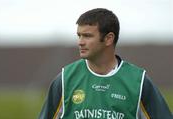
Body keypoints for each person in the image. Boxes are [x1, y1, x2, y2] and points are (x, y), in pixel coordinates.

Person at [38, 8, 172, 119]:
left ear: (109, 39)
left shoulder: (139, 82)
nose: (80, 42)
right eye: (79, 35)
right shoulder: (65, 79)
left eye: (87, 36)